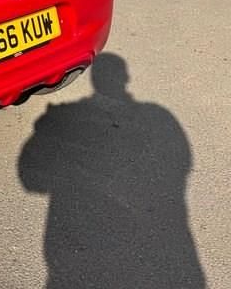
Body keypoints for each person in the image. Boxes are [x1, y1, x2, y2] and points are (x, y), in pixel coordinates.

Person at [18, 53, 205, 288]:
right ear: (126, 78)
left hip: (76, 252)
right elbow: (182, 167)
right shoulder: (160, 115)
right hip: (171, 243)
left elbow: (31, 181)